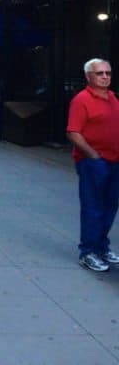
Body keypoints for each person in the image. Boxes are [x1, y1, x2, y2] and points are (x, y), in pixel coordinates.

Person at [67, 57, 119, 272]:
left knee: (109, 207)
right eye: (100, 73)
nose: (105, 77)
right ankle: (88, 251)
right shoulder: (81, 100)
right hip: (94, 162)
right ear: (89, 76)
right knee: (93, 207)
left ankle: (101, 246)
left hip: (114, 160)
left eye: (107, 73)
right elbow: (73, 132)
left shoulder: (113, 99)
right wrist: (93, 155)